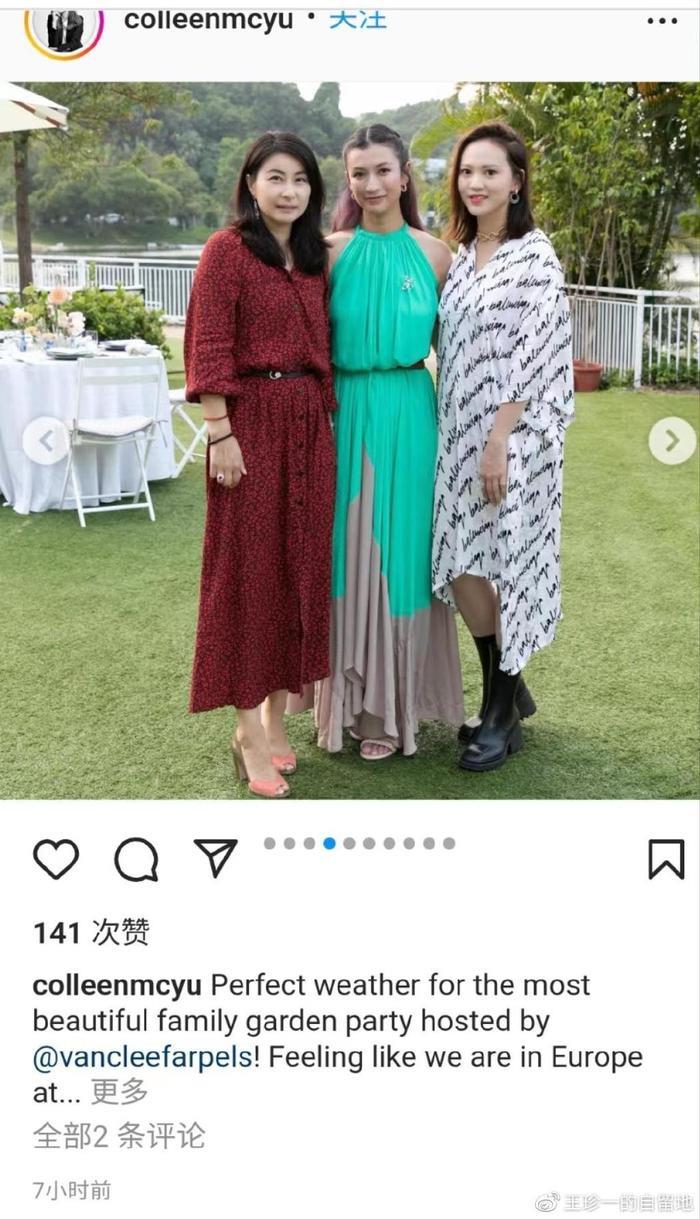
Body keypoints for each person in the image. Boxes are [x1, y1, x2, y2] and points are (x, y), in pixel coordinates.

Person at [184, 132, 336, 798]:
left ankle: (276, 719)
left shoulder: (312, 256)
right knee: (246, 575)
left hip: (309, 425)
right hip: (248, 423)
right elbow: (209, 344)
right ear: (251, 183)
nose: (289, 191)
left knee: (297, 571)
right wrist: (220, 433)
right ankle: (246, 728)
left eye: (300, 180)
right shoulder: (226, 251)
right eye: (276, 177)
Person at [316, 124, 464, 760]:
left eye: (383, 170)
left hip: (410, 414)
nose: (372, 183)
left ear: (405, 176)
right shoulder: (328, 253)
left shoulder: (437, 256)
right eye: (359, 173)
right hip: (345, 412)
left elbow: (460, 355)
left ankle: (389, 710)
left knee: (402, 557)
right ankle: (345, 701)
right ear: (348, 182)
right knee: (347, 552)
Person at [432, 121, 574, 772]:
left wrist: (498, 442)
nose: (476, 182)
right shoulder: (461, 258)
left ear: (516, 182)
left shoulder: (534, 256)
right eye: (466, 171)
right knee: (458, 561)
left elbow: (534, 354)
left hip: (517, 437)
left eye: (490, 171)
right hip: (457, 432)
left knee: (511, 564)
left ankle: (498, 712)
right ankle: (508, 692)